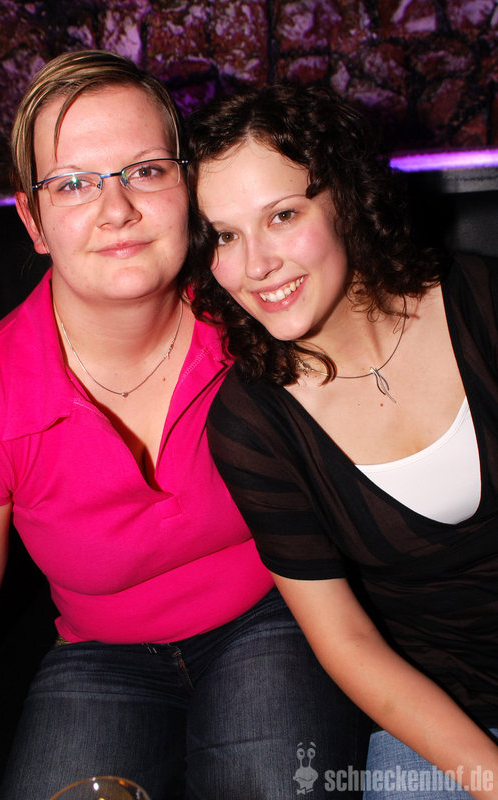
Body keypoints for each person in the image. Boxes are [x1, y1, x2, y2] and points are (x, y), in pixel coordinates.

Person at [0, 52, 371, 800]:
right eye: (73, 183)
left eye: (147, 171)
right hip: (99, 656)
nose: (116, 209)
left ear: (189, 189)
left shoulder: (259, 309)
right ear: (32, 221)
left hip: (275, 612)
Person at [186, 82, 498, 800]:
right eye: (225, 235)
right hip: (439, 718)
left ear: (347, 202)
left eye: (282, 215)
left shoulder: (483, 306)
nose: (255, 265)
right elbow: (347, 645)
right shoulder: (252, 424)